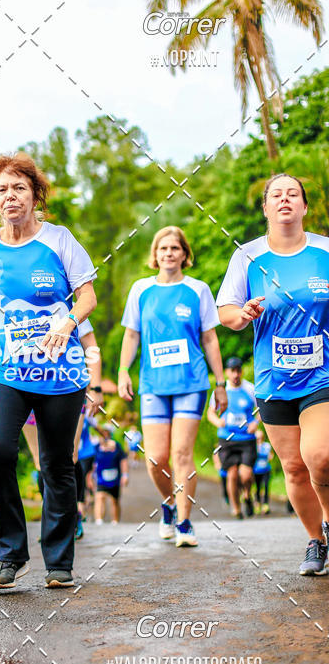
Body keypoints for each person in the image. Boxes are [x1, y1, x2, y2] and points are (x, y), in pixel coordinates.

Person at [0, 152, 97, 589]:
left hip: (61, 372)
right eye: (2, 189)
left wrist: (67, 323)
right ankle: (9, 556)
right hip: (3, 371)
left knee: (57, 464)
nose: (10, 196)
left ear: (36, 195)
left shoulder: (59, 240)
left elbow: (87, 297)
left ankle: (58, 561)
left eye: (19, 187)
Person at [217, 172, 329, 575]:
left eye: (293, 194)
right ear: (265, 208)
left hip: (322, 376)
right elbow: (225, 311)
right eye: (276, 195)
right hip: (274, 381)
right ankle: (315, 541)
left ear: (303, 207)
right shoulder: (246, 256)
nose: (285, 200)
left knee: (320, 455)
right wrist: (242, 313)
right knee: (295, 468)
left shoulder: (325, 252)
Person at [118, 226, 228, 547]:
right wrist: (124, 370)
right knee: (155, 459)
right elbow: (132, 335)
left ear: (184, 254)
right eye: (163, 248)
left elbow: (209, 337)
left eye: (175, 248)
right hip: (153, 383)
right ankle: (169, 503)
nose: (168, 253)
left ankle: (184, 522)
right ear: (155, 255)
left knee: (181, 453)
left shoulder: (198, 290)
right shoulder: (141, 290)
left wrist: (220, 383)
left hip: (191, 381)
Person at [21, 320, 102, 540]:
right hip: (27, 386)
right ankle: (53, 520)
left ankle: (71, 517)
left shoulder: (74, 306)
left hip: (68, 388)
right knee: (41, 463)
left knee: (69, 457)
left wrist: (95, 386)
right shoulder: (19, 301)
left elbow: (91, 346)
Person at [206, 356, 258, 518]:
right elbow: (210, 413)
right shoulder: (221, 391)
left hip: (246, 440)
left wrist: (255, 423)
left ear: (241, 371)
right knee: (232, 474)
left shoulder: (250, 389)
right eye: (232, 371)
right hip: (226, 439)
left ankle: (248, 495)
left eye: (238, 371)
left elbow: (262, 409)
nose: (235, 374)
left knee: (246, 474)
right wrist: (217, 422)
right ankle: (236, 509)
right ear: (227, 372)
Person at [93, 424, 128, 524]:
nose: (104, 435)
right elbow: (91, 462)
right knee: (100, 497)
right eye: (102, 433)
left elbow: (123, 460)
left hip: (115, 478)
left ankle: (115, 522)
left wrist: (125, 475)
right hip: (100, 478)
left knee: (114, 500)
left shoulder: (117, 446)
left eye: (106, 432)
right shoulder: (96, 447)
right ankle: (99, 521)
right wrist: (89, 476)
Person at [253, 428, 274, 515]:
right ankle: (257, 504)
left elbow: (270, 455)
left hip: (266, 469)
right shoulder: (253, 446)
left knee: (266, 487)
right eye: (257, 438)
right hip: (256, 470)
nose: (259, 439)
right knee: (257, 488)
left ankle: (265, 505)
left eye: (260, 437)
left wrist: (270, 457)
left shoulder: (267, 445)